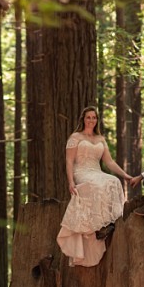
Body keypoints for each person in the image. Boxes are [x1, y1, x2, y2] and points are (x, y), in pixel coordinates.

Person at [57, 106, 133, 266]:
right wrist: (71, 182)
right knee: (95, 186)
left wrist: (124, 175)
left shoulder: (100, 139)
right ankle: (96, 227)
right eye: (88, 117)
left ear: (97, 120)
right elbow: (69, 161)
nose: (91, 120)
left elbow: (109, 162)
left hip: (96, 171)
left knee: (113, 181)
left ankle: (109, 224)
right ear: (83, 119)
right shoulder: (75, 137)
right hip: (82, 172)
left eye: (94, 117)